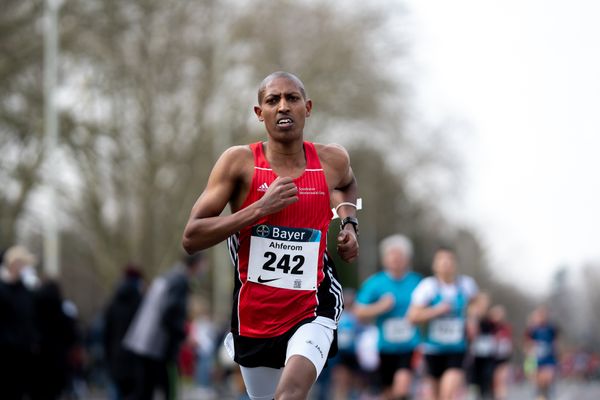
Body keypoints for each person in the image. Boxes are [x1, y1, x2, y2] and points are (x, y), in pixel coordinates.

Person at [182, 71, 359, 400]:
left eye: (292, 99)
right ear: (258, 112)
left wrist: (349, 223)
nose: (283, 107)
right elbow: (191, 237)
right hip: (255, 313)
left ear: (307, 108)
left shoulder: (332, 160)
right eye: (272, 100)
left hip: (314, 303)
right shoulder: (239, 163)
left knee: (290, 394)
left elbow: (348, 183)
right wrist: (259, 208)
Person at [123, 252, 205, 400]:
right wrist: (185, 336)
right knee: (168, 390)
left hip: (142, 342)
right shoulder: (180, 280)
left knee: (144, 391)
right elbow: (169, 313)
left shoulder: (169, 275)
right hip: (157, 346)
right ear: (196, 264)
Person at [353, 234, 422, 400]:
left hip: (410, 345)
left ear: (407, 259)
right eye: (391, 255)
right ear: (385, 259)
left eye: (400, 256)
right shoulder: (375, 283)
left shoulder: (417, 282)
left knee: (402, 384)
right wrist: (380, 307)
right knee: (388, 392)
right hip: (384, 346)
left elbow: (428, 306)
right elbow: (358, 311)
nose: (396, 260)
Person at [407, 246, 479, 400]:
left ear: (456, 264)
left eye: (450, 259)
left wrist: (472, 319)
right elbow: (412, 317)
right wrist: (436, 311)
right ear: (435, 265)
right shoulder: (428, 287)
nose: (446, 263)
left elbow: (477, 303)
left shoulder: (466, 285)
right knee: (435, 396)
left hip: (457, 349)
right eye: (441, 259)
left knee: (447, 394)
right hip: (432, 350)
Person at [0, 245, 39, 399]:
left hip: (24, 354)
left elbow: (31, 320)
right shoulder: (2, 291)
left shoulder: (27, 292)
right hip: (6, 355)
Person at [103, 264, 145, 399]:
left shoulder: (113, 302)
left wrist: (108, 357)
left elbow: (107, 333)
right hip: (136, 360)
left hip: (116, 358)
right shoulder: (141, 302)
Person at [524, 305, 560, 400]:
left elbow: (555, 342)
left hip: (549, 358)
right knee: (539, 382)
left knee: (547, 379)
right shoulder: (531, 330)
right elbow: (527, 345)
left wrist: (555, 353)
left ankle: (547, 394)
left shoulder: (551, 328)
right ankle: (540, 396)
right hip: (536, 359)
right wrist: (530, 357)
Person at [489, 304, 512, 400]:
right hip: (490, 358)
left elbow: (508, 343)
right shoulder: (487, 327)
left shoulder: (506, 328)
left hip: (502, 358)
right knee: (493, 383)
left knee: (501, 381)